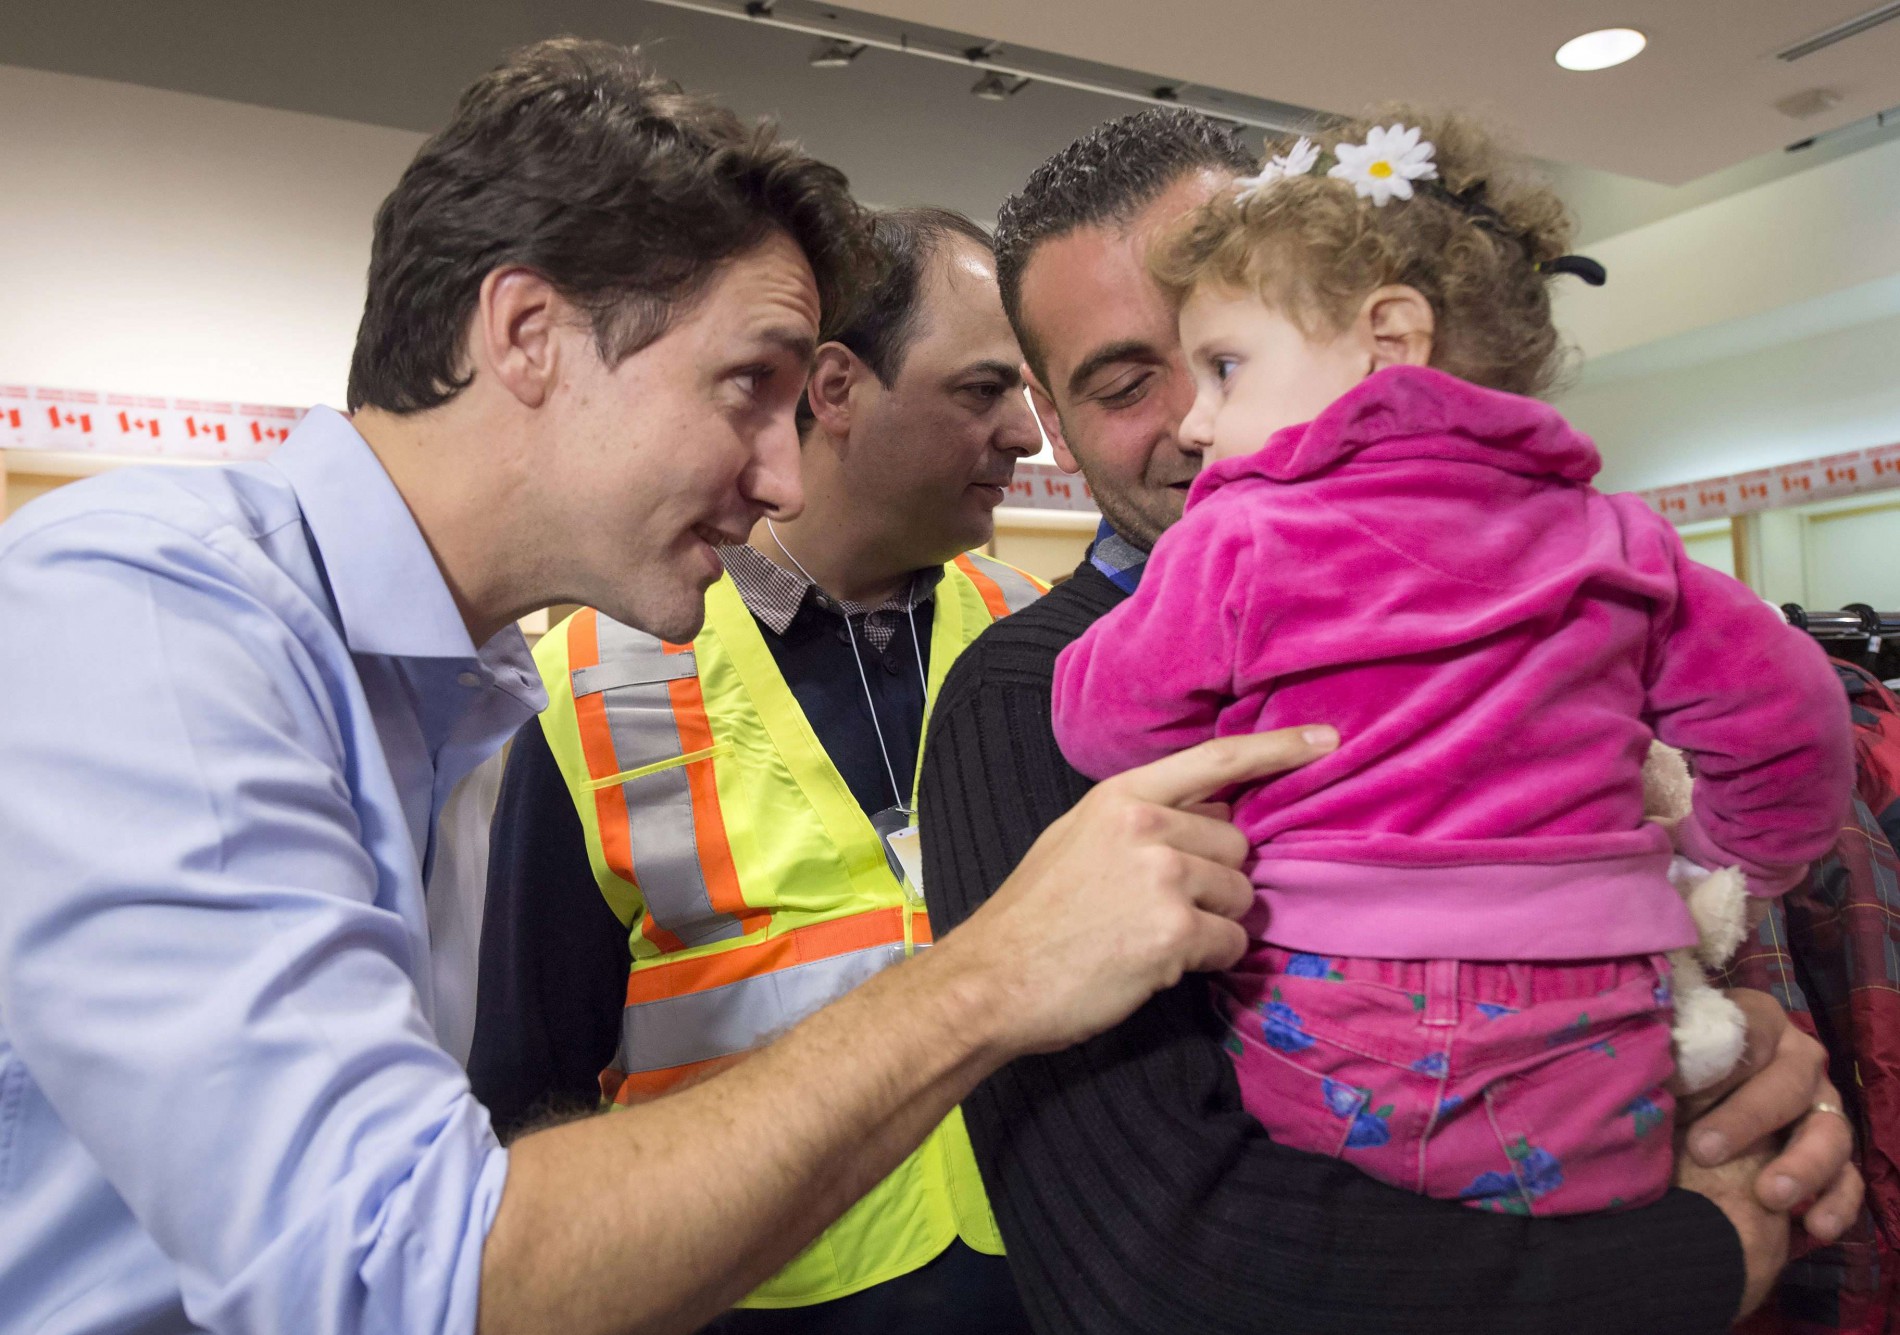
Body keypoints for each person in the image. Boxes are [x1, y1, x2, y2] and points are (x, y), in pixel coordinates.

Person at [0, 44, 1332, 1335]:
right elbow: (403, 1278)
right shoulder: (149, 611)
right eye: (747, 385)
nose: (787, 477)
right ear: (527, 333)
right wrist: (990, 974)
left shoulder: (450, 691)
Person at [918, 106, 1865, 1333]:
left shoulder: (1590, 585)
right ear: (1052, 412)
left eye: (1222, 352)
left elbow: (1745, 869)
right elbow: (1149, 1265)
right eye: (1127, 378)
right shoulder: (1015, 698)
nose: (1201, 425)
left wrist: (1747, 1064)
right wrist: (1690, 1258)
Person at [469, 206, 1047, 1331]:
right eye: (982, 391)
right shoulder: (593, 685)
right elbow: (528, 1098)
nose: (1029, 434)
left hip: (1041, 1283)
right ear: (833, 390)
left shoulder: (1040, 650)